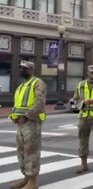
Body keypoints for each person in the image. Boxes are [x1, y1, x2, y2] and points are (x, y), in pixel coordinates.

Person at [9, 61, 47, 189]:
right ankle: (26, 178)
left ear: (31, 70)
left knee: (32, 151)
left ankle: (33, 182)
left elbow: (39, 103)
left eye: (24, 69)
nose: (21, 71)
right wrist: (13, 117)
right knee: (22, 152)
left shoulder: (38, 83)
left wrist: (26, 116)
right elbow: (17, 105)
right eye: (20, 68)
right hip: (20, 124)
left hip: (31, 123)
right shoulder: (21, 86)